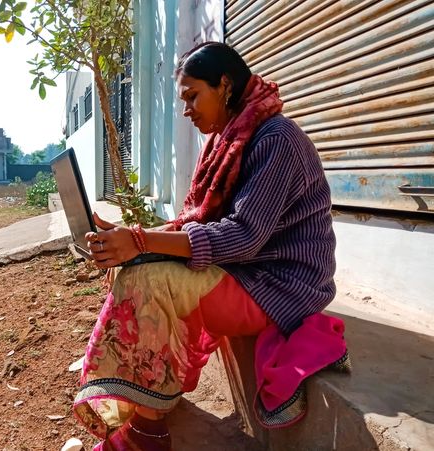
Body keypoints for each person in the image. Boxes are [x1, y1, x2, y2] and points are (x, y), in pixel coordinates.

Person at [73, 42, 349, 451]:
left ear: (224, 85)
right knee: (134, 264)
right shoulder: (228, 141)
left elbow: (243, 235)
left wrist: (141, 242)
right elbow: (200, 221)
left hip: (279, 283)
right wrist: (132, 238)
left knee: (149, 278)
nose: (187, 110)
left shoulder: (277, 140)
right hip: (247, 269)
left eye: (192, 96)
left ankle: (147, 434)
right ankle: (148, 400)